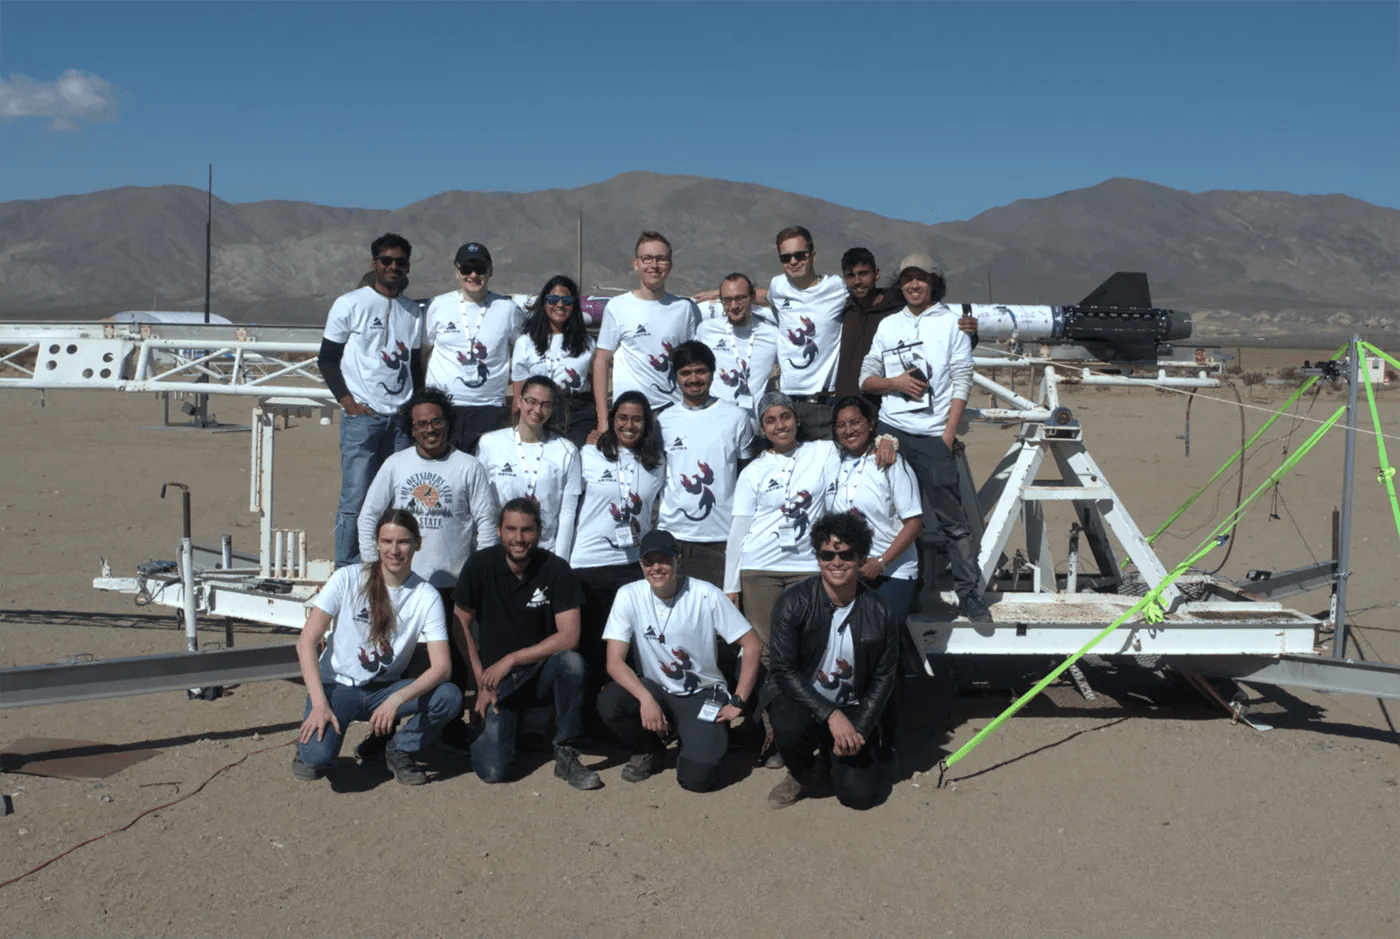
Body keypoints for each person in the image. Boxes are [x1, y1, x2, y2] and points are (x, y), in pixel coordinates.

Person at [860, 253, 992, 622]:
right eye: (906, 279)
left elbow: (962, 379)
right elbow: (866, 377)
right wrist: (895, 383)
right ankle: (903, 588)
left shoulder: (952, 325)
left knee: (952, 520)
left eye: (920, 278)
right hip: (891, 434)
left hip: (933, 437)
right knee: (890, 514)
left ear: (934, 282)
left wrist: (947, 437)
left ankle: (969, 593)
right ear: (899, 285)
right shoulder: (888, 326)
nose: (913, 285)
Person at [294, 509, 462, 786]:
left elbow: (442, 668)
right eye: (387, 542)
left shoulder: (426, 596)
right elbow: (306, 643)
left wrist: (395, 700)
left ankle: (398, 747)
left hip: (384, 690)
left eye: (403, 542)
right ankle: (310, 736)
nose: (394, 550)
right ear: (377, 543)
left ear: (417, 544)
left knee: (449, 696)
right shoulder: (347, 579)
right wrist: (320, 704)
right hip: (337, 686)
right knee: (316, 759)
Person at [451, 498, 602, 790]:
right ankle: (512, 726)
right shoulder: (480, 565)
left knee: (571, 663)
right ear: (498, 531)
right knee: (492, 771)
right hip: (498, 682)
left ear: (539, 531)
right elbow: (460, 623)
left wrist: (513, 658)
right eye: (511, 529)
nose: (518, 538)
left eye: (527, 530)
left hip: (539, 674)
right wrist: (480, 680)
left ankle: (566, 752)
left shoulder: (556, 569)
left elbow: (569, 636)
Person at [597, 530, 762, 791]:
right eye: (648, 562)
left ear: (678, 559)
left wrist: (738, 701)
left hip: (702, 692)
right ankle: (650, 749)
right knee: (610, 701)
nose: (656, 568)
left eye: (663, 559)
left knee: (696, 779)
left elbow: (752, 644)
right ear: (641, 564)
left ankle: (700, 734)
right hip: (657, 689)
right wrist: (645, 698)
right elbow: (614, 662)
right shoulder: (629, 595)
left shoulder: (705, 593)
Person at [764, 512, 899, 810]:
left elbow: (884, 677)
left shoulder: (881, 610)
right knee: (788, 722)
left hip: (852, 704)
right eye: (827, 555)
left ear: (861, 558)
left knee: (859, 798)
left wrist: (860, 728)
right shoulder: (793, 602)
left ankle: (838, 754)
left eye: (846, 554)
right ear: (818, 557)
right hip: (804, 700)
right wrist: (831, 715)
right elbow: (783, 670)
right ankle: (800, 774)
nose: (836, 562)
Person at [318, 233, 422, 568]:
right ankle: (347, 569)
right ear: (373, 262)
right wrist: (348, 403)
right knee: (356, 497)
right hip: (364, 417)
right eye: (386, 260)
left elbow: (415, 364)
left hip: (400, 422)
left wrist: (414, 405)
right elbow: (327, 358)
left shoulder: (413, 312)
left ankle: (388, 566)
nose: (393, 267)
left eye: (400, 261)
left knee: (395, 499)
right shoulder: (350, 304)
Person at [569, 391, 667, 720]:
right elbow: (568, 509)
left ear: (647, 423)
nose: (629, 425)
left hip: (631, 567)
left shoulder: (657, 462)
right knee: (591, 649)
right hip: (588, 565)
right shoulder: (587, 454)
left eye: (636, 419)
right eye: (622, 418)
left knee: (626, 649)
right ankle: (584, 721)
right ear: (611, 420)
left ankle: (621, 719)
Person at [357, 388, 500, 593]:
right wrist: (373, 566)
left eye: (437, 421)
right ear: (412, 430)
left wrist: (480, 572)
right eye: (421, 424)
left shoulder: (470, 466)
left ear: (447, 423)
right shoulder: (395, 464)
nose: (430, 429)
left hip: (454, 583)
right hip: (403, 582)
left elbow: (486, 523)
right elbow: (368, 516)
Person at [658, 341, 758, 588]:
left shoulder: (736, 417)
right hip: (674, 537)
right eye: (685, 373)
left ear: (713, 373)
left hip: (721, 539)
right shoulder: (663, 421)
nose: (693, 379)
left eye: (700, 371)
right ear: (676, 377)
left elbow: (747, 476)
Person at [591, 231, 701, 438]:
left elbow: (694, 363)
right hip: (630, 414)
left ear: (670, 265)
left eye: (661, 259)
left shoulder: (685, 309)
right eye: (647, 258)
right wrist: (603, 420)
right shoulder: (617, 307)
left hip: (674, 409)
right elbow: (601, 360)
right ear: (636, 264)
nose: (654, 265)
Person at [835, 247, 980, 403]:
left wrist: (969, 332)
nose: (857, 281)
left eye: (863, 273)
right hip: (847, 405)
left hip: (889, 403)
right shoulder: (841, 309)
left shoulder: (900, 307)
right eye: (851, 275)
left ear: (876, 274)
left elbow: (943, 334)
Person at [423, 242, 525, 454]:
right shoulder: (438, 306)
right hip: (444, 407)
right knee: (443, 471)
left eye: (480, 269)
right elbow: (423, 353)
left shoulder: (508, 309)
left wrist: (517, 399)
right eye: (466, 269)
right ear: (456, 271)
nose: (473, 275)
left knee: (484, 475)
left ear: (490, 270)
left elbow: (523, 357)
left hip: (489, 408)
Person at [829, 396, 923, 625]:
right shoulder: (829, 459)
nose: (848, 430)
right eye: (841, 425)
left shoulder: (891, 463)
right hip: (848, 572)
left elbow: (914, 523)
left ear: (870, 423)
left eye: (855, 422)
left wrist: (881, 562)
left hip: (892, 573)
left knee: (883, 645)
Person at [475, 375, 582, 560]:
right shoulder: (490, 443)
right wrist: (485, 555)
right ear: (519, 401)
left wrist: (561, 562)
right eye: (531, 401)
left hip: (545, 552)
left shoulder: (567, 451)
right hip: (501, 551)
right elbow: (483, 505)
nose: (537, 410)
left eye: (545, 404)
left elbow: (567, 514)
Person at [767, 226, 849, 440]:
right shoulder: (777, 286)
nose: (793, 262)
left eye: (800, 255)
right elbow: (757, 296)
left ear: (812, 256)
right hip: (786, 406)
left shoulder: (837, 288)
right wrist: (716, 294)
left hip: (824, 404)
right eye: (786, 258)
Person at [512, 274, 598, 448]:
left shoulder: (588, 343)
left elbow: (594, 386)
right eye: (552, 299)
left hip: (578, 415)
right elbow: (518, 395)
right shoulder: (525, 342)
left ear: (574, 305)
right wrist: (513, 426)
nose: (560, 305)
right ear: (544, 303)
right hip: (538, 412)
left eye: (566, 300)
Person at [695, 273, 779, 416]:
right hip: (715, 418)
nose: (733, 306)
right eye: (727, 300)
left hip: (754, 422)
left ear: (753, 297)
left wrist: (717, 293)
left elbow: (781, 298)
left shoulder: (772, 334)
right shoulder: (706, 329)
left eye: (740, 298)